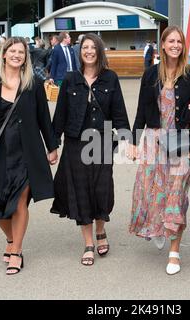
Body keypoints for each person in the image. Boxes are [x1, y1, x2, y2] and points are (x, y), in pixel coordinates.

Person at [0, 37, 59, 275]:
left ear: (25, 57)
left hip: (28, 154)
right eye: (12, 51)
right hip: (1, 154)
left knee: (20, 202)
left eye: (21, 52)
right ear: (4, 55)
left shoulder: (34, 84)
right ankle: (12, 239)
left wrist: (52, 146)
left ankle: (16, 252)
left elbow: (44, 118)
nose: (17, 55)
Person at [127, 26, 190, 275]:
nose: (175, 45)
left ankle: (174, 251)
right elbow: (141, 109)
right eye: (171, 41)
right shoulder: (150, 74)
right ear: (162, 44)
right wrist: (133, 142)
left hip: (181, 140)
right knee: (149, 191)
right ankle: (158, 225)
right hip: (154, 139)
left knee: (175, 196)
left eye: (179, 41)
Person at [50, 33, 130, 266]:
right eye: (84, 47)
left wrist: (127, 141)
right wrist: (53, 145)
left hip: (102, 141)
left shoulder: (110, 78)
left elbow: (119, 112)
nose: (89, 51)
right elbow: (60, 116)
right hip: (76, 142)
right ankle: (88, 242)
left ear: (99, 51)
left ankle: (101, 229)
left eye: (93, 47)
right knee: (80, 190)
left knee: (101, 189)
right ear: (79, 51)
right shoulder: (70, 79)